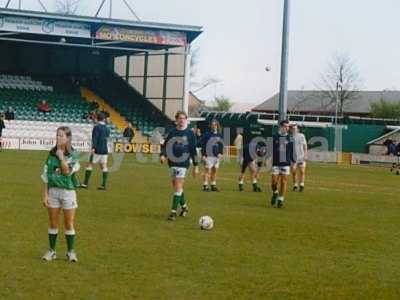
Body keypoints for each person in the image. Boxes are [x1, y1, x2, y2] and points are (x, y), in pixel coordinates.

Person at [41, 127, 80, 262]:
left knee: (68, 223)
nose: (58, 138)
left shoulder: (74, 154)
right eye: (57, 135)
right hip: (53, 192)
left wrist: (61, 156)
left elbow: (66, 172)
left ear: (68, 138)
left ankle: (70, 252)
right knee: (53, 223)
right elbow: (46, 176)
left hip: (68, 192)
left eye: (61, 136)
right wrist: (45, 195)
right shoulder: (51, 155)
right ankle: (52, 251)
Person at [160, 111, 199, 221]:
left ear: (186, 120)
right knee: (177, 187)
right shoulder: (172, 132)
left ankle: (173, 212)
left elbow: (193, 151)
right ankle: (185, 207)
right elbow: (165, 146)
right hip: (172, 163)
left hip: (183, 163)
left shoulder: (190, 134)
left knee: (177, 185)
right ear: (176, 120)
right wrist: (163, 155)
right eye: (180, 118)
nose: (182, 120)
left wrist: (196, 166)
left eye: (184, 118)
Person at [81, 112, 110, 190]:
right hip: (105, 150)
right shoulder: (107, 128)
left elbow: (95, 138)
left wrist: (93, 148)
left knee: (89, 165)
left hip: (97, 149)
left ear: (97, 119)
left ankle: (85, 184)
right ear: (104, 119)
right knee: (104, 166)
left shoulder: (96, 127)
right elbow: (107, 137)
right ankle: (103, 185)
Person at [271, 120, 294, 208]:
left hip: (286, 163)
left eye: (288, 126)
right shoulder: (274, 137)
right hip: (276, 163)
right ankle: (275, 192)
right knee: (273, 182)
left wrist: (293, 162)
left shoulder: (290, 138)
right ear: (280, 127)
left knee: (284, 182)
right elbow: (270, 149)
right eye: (285, 126)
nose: (287, 128)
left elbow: (292, 151)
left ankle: (281, 199)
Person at [201, 119, 224, 192]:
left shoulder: (220, 135)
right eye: (212, 125)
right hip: (208, 156)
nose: (214, 126)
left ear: (217, 126)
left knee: (214, 171)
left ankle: (213, 185)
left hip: (216, 156)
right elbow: (203, 145)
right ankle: (205, 186)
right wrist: (203, 155)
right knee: (207, 171)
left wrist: (220, 153)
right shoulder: (207, 134)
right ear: (210, 126)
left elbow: (221, 145)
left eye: (215, 125)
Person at [290, 124, 308, 192]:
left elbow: (305, 145)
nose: (294, 130)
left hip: (301, 156)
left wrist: (305, 154)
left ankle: (302, 185)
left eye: (295, 128)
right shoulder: (290, 137)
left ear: (298, 129)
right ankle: (295, 185)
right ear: (291, 130)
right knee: (294, 171)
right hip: (293, 157)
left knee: (302, 171)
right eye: (293, 129)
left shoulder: (301, 136)